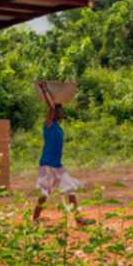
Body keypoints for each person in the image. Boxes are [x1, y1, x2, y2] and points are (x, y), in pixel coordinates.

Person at [33, 81, 89, 224]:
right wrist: (45, 90)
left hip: (57, 165)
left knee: (70, 190)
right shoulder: (49, 124)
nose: (62, 112)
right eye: (60, 110)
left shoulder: (57, 126)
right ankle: (35, 219)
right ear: (54, 112)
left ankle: (78, 218)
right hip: (47, 165)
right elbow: (51, 107)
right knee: (44, 194)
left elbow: (53, 108)